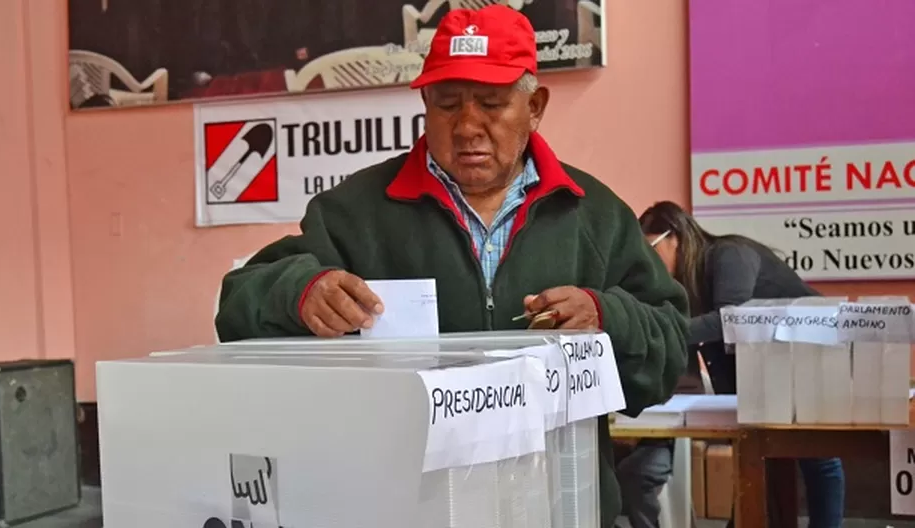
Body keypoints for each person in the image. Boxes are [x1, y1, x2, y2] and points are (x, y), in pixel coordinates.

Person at [216, 5, 689, 527]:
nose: (466, 126)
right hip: (401, 512)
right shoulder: (355, 212)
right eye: (446, 104)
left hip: (560, 509)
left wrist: (606, 318)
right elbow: (239, 304)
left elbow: (669, 348)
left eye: (491, 103)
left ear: (534, 107)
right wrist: (301, 293)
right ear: (423, 102)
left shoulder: (593, 215)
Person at [638, 201, 845, 528]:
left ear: (674, 236)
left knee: (817, 456)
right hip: (771, 363)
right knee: (760, 456)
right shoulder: (690, 283)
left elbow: (730, 321)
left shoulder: (729, 254)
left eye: (651, 248)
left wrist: (665, 332)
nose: (650, 261)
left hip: (808, 347)